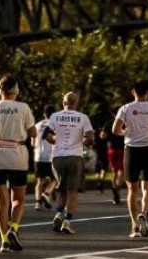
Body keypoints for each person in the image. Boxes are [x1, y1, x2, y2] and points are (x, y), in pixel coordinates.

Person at [0, 75, 36, 253]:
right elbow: (33, 132)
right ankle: (14, 228)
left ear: (0, 89)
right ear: (16, 90)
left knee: (1, 201)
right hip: (17, 156)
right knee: (18, 199)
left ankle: (4, 240)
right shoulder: (23, 108)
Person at [112, 80, 148, 239]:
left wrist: (127, 132)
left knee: (132, 189)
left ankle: (134, 225)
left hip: (131, 150)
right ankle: (143, 214)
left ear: (133, 92)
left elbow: (115, 129)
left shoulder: (125, 108)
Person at [47, 91, 94, 236]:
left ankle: (58, 214)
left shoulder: (55, 116)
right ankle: (66, 222)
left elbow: (47, 136)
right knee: (72, 192)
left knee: (61, 189)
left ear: (63, 102)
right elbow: (90, 137)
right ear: (76, 103)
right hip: (75, 157)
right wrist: (82, 143)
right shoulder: (83, 117)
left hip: (58, 157)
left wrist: (57, 142)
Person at [31, 105, 56, 211]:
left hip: (38, 156)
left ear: (44, 114)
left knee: (39, 181)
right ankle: (46, 194)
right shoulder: (55, 125)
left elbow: (32, 143)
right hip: (51, 156)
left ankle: (37, 203)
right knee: (55, 180)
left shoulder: (37, 125)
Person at [102, 120, 125, 206]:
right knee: (120, 172)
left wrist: (108, 139)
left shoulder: (109, 123)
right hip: (122, 150)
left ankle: (114, 189)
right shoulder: (126, 123)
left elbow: (102, 135)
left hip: (111, 150)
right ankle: (117, 190)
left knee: (114, 171)